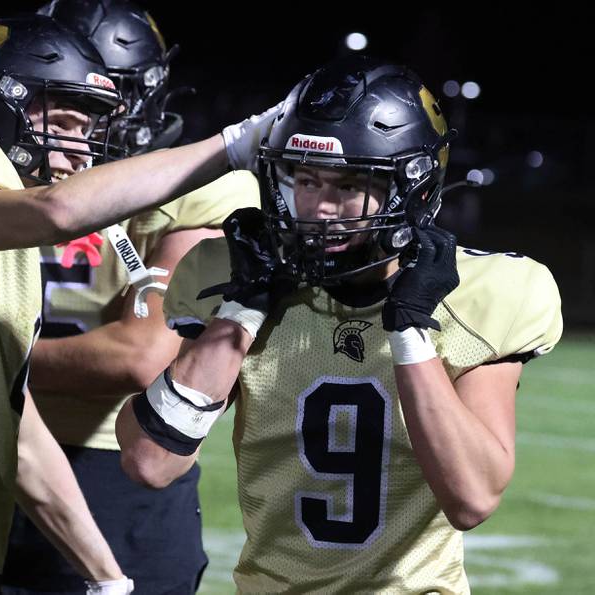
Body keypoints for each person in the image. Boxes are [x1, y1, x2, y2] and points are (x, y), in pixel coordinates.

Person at [0, 12, 277, 595]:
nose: (78, 149)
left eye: (88, 129)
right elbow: (57, 211)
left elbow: (16, 425)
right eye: (62, 120)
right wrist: (236, 142)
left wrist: (106, 577)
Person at [115, 56, 563, 593]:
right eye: (305, 179)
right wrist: (239, 310)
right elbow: (150, 461)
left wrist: (410, 328)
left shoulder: (479, 294)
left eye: (348, 185)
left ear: (412, 188)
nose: (320, 208)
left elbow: (473, 497)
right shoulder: (231, 276)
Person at [1, 2, 259, 593]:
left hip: (109, 467)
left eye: (102, 96)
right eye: (59, 96)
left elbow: (141, 356)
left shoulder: (198, 190)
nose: (88, 114)